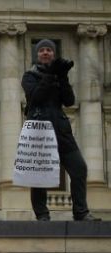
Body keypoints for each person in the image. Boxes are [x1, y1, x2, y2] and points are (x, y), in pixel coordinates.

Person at [22, 39, 100, 221]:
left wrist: (63, 77)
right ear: (37, 54)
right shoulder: (29, 76)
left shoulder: (58, 76)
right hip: (40, 129)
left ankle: (80, 212)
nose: (46, 53)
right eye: (42, 50)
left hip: (61, 129)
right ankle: (42, 214)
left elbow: (69, 101)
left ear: (54, 54)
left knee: (79, 168)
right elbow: (36, 97)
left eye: (49, 50)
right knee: (39, 173)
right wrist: (50, 75)